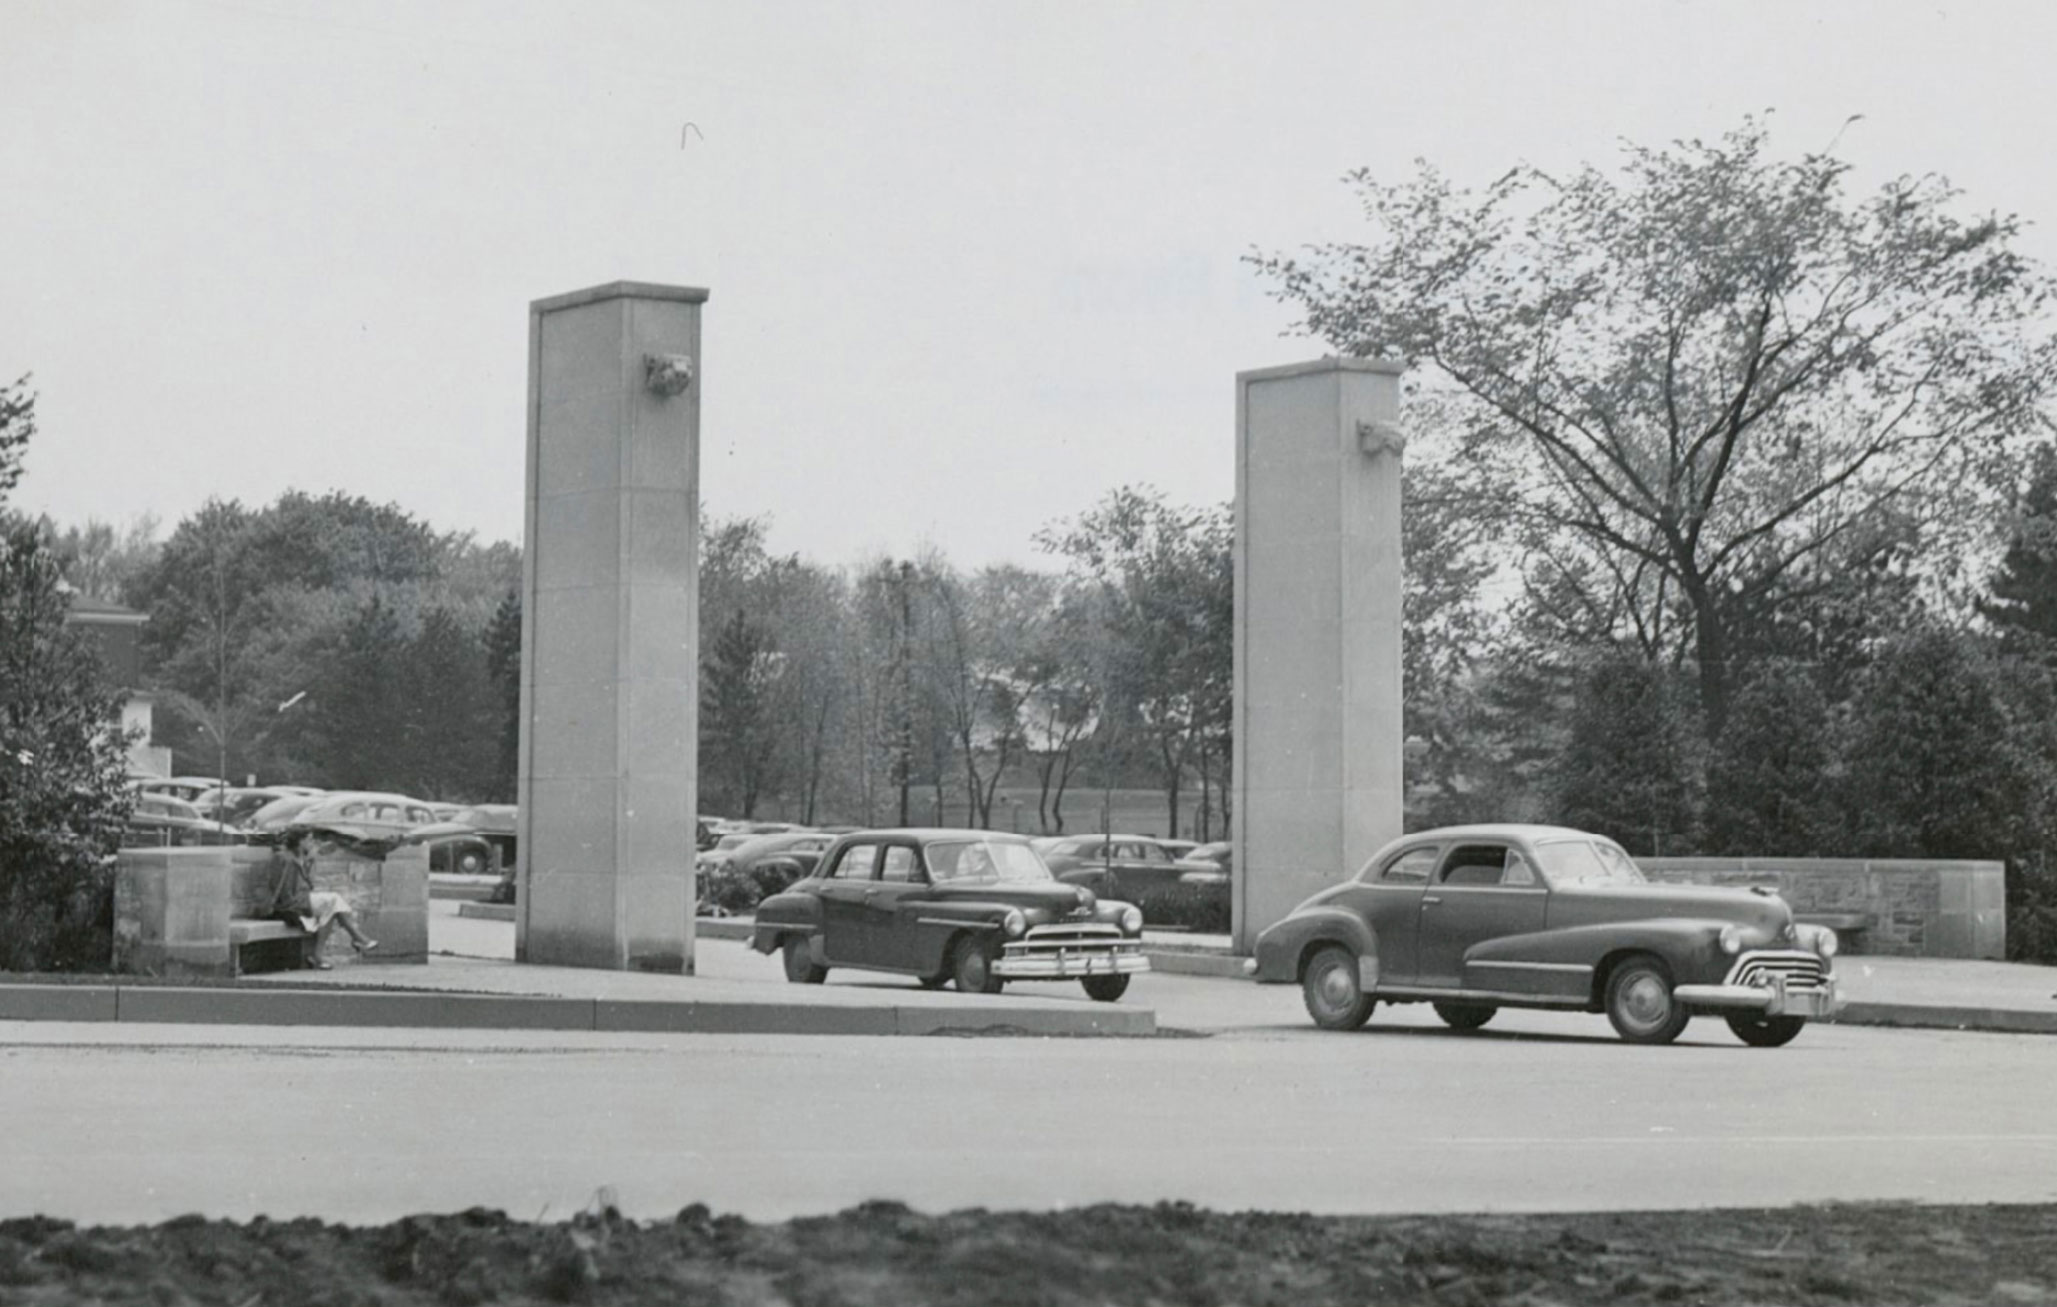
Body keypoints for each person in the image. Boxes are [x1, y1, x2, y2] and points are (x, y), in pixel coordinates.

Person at [262, 833, 377, 969]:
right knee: (334, 900)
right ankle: (357, 938)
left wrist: (310, 862)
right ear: (299, 842)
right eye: (309, 840)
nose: (313, 843)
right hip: (287, 905)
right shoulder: (283, 857)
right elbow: (282, 890)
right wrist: (297, 902)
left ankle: (320, 956)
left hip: (301, 900)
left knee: (332, 909)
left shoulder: (302, 858)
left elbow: (310, 885)